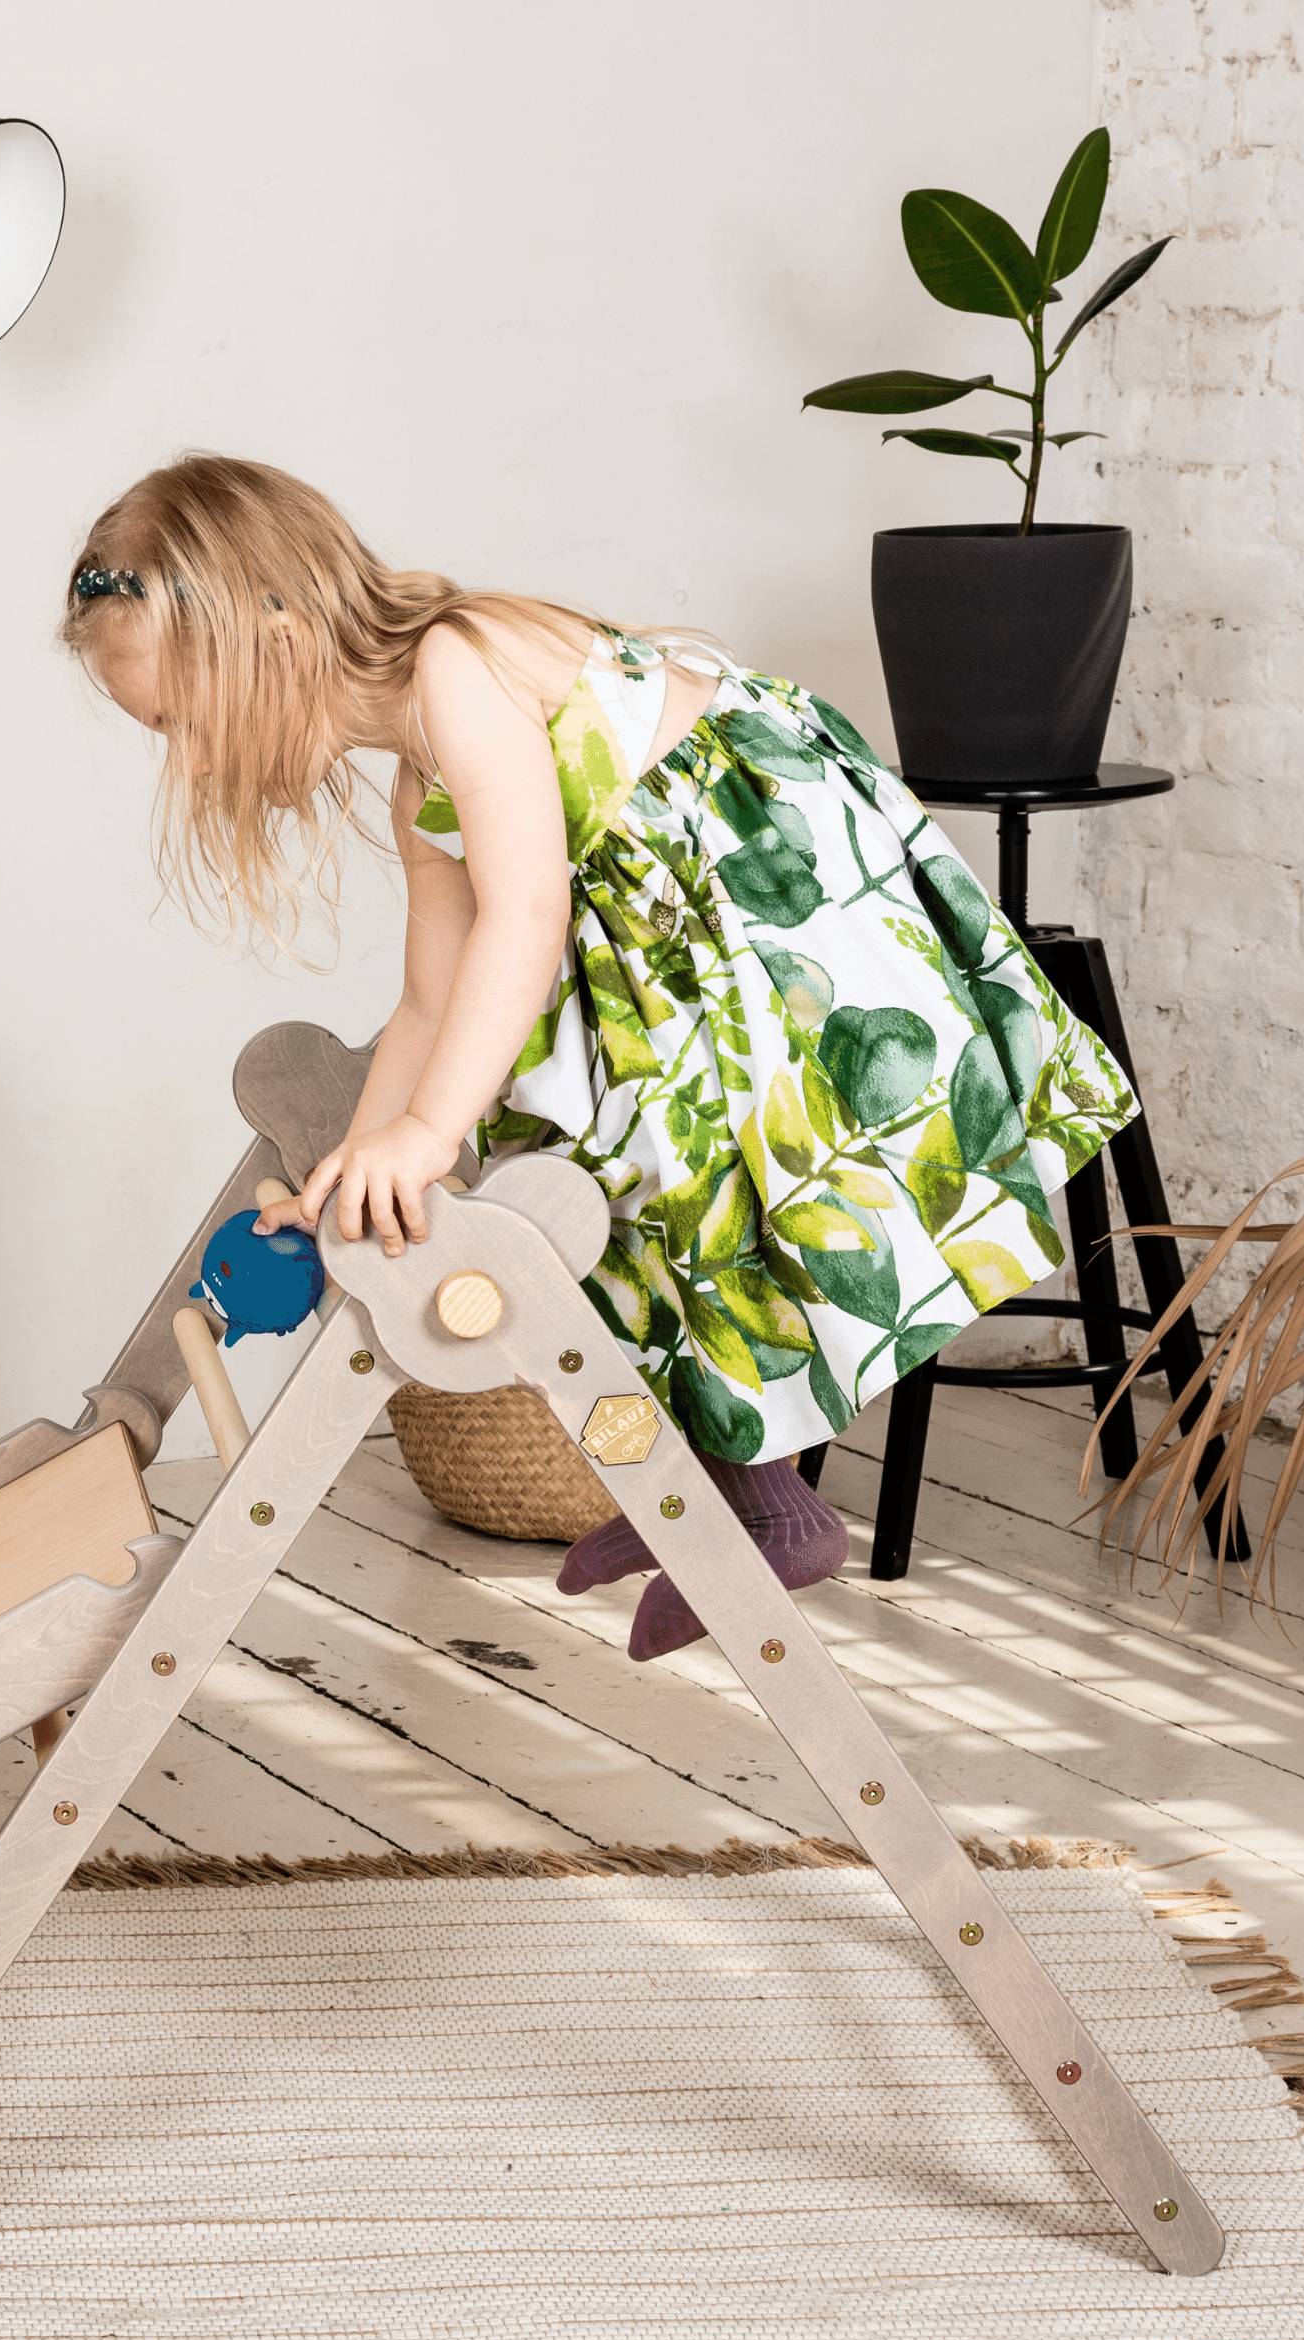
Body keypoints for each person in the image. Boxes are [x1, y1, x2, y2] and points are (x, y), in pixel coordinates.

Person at [63, 455, 1134, 1659]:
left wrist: (427, 1138)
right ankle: (722, 1496)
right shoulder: (415, 768)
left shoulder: (455, 668)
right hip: (662, 925)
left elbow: (523, 916)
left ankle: (767, 1504)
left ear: (274, 634)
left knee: (717, 1163)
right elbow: (429, 994)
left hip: (756, 882)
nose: (195, 766)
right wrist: (362, 1156)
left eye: (182, 725)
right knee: (613, 1185)